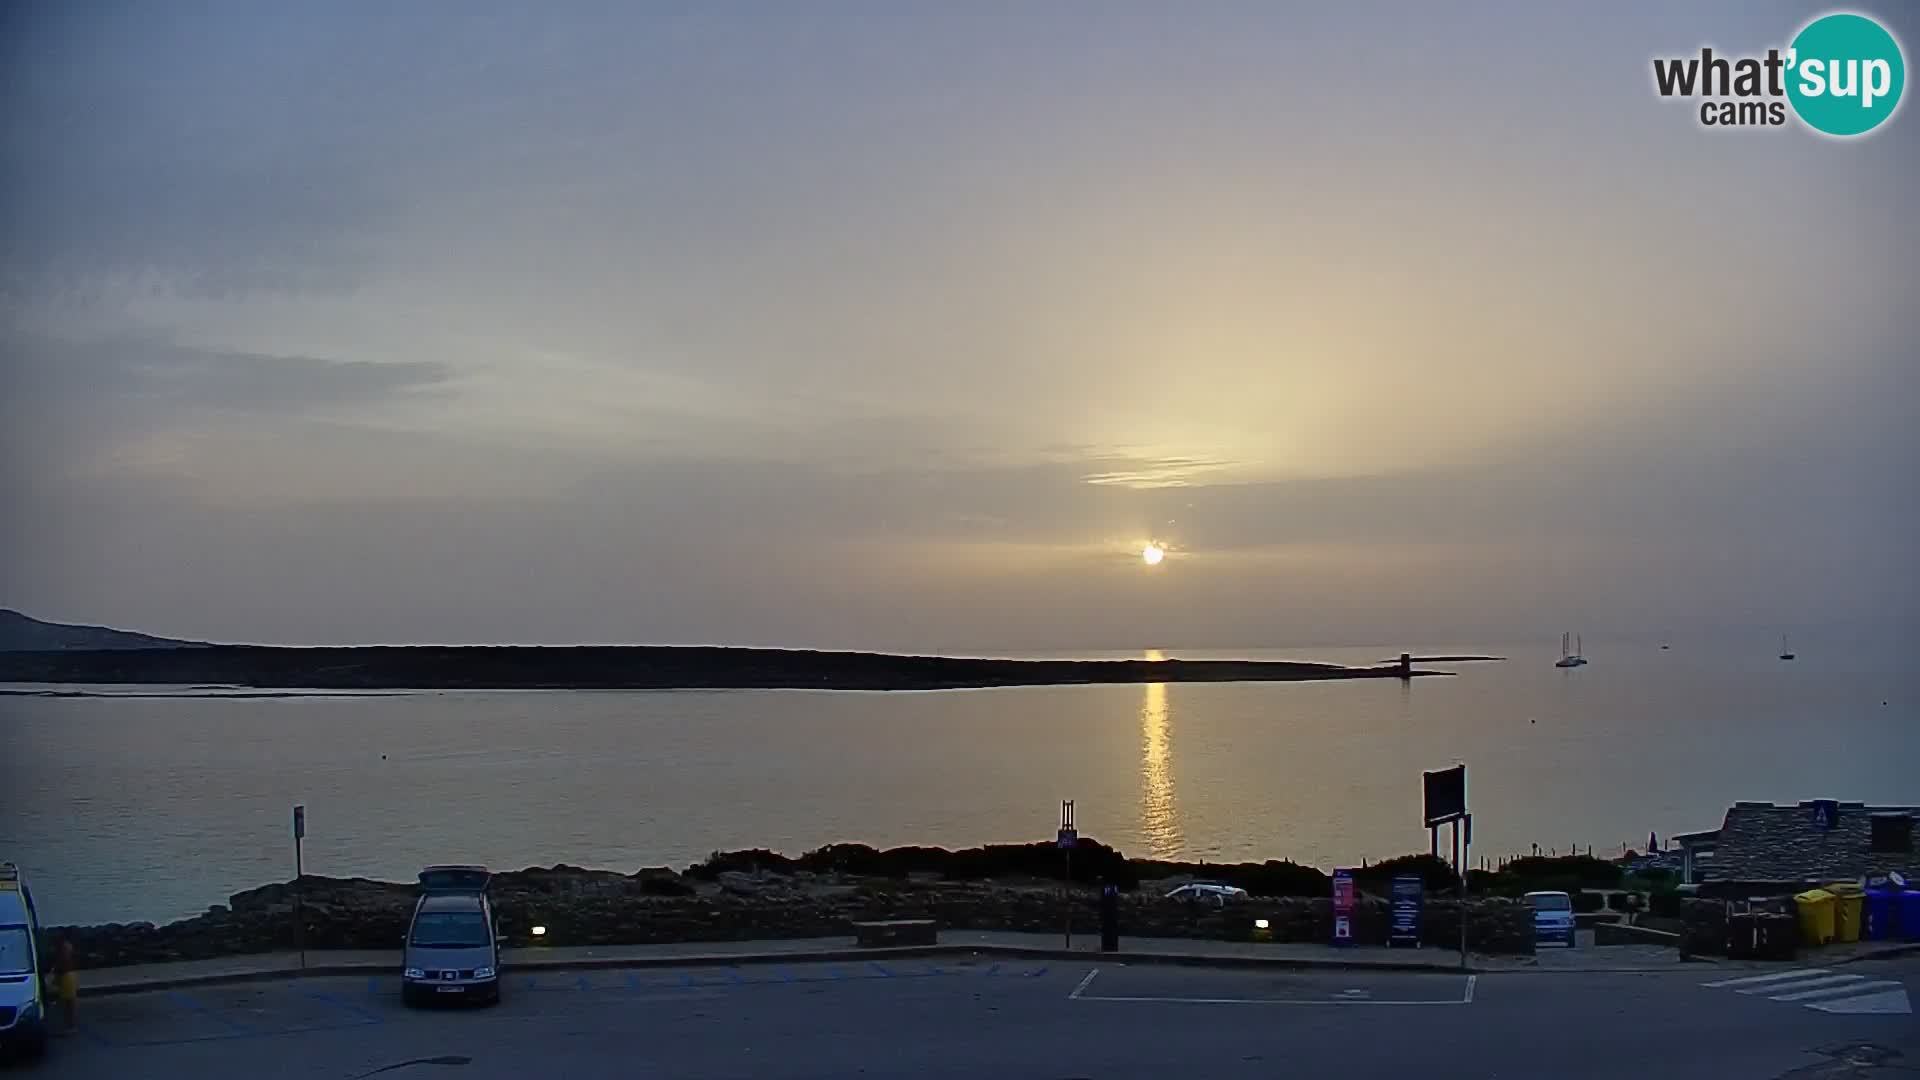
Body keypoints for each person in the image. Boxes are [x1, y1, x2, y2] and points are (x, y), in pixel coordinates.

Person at [52, 936, 77, 1032]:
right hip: (69, 976)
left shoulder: (62, 951)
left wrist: (56, 978)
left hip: (66, 976)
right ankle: (70, 1025)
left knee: (67, 1004)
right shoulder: (68, 948)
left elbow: (61, 966)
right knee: (69, 1003)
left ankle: (69, 1026)